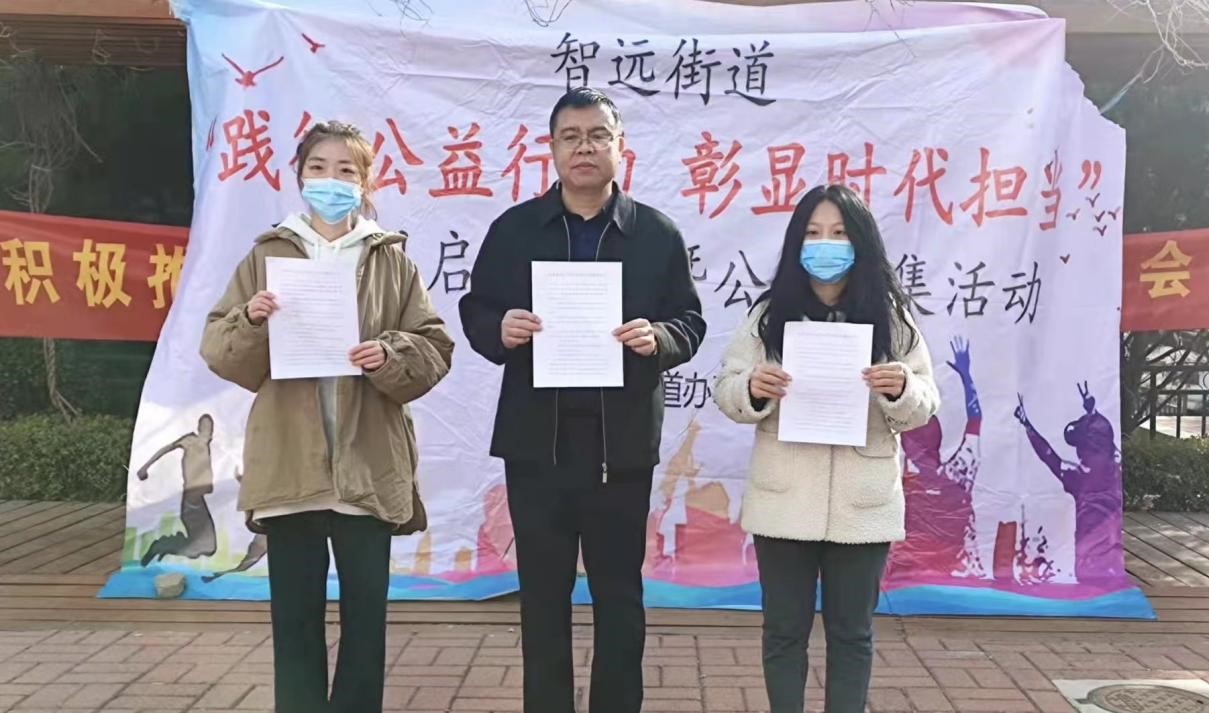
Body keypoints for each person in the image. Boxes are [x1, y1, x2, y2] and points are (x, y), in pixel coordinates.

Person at [458, 87, 705, 713]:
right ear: (551, 149)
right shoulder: (515, 230)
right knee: (542, 600)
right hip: (536, 446)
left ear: (621, 147)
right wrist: (499, 328)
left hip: (619, 449)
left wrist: (660, 338)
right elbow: (476, 308)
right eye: (571, 137)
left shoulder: (655, 234)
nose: (584, 147)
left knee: (619, 597)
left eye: (598, 135)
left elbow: (690, 322)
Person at [200, 120, 454, 713]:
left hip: (368, 466)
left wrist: (389, 354)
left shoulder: (390, 260)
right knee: (294, 622)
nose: (331, 181)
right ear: (299, 175)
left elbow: (434, 348)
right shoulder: (268, 255)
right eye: (318, 168)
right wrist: (252, 320)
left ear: (366, 183)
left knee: (366, 622)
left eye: (346, 170)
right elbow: (219, 350)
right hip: (290, 467)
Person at [714, 184, 939, 713]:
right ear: (797, 242)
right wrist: (752, 389)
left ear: (860, 242)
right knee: (783, 632)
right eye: (813, 233)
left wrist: (900, 388)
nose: (826, 244)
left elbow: (926, 401)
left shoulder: (891, 315)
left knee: (852, 634)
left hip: (863, 502)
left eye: (839, 233)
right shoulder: (769, 314)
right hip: (784, 499)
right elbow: (726, 388)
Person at [887, 337, 986, 580]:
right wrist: (966, 376)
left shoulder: (894, 480)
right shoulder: (960, 470)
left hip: (907, 578)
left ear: (906, 445)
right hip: (959, 576)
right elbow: (975, 420)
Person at [1014, 382, 1123, 583]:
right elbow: (1107, 437)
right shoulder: (1114, 466)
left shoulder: (1078, 475)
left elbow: (1049, 456)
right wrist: (1092, 411)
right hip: (1111, 550)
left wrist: (1028, 426)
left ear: (1081, 448)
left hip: (1088, 558)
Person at [136, 413, 218, 566]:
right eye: (206, 428)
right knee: (205, 546)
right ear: (199, 428)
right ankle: (162, 545)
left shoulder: (206, 444)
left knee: (207, 547)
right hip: (191, 500)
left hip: (197, 499)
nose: (209, 433)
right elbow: (166, 449)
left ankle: (168, 544)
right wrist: (145, 467)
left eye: (211, 429)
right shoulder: (191, 440)